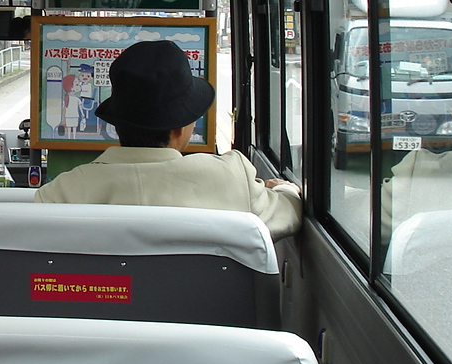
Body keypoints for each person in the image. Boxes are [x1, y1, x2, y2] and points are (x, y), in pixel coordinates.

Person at [34, 41, 302, 240]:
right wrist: (284, 190)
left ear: (118, 124)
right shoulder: (231, 178)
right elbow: (288, 214)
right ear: (179, 128)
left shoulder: (63, 193)